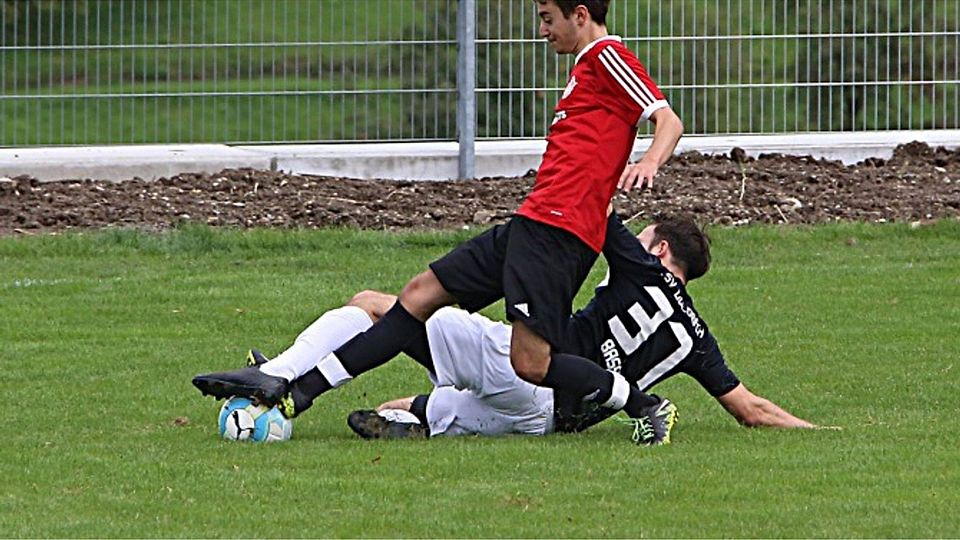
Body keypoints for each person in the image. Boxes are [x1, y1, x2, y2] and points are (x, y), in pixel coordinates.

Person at [193, 0, 686, 445]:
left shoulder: (606, 55)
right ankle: (294, 393)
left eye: (547, 18)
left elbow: (667, 119)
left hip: (559, 234)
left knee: (531, 365)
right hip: (531, 224)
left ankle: (645, 406)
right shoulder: (584, 68)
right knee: (418, 296)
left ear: (580, 14)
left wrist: (648, 163)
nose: (542, 30)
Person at [240, 214, 818, 442]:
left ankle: (274, 376)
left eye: (646, 237)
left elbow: (592, 206)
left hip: (523, 363)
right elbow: (751, 410)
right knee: (410, 401)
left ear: (661, 248)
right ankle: (417, 420)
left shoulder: (642, 265)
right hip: (548, 421)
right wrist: (822, 430)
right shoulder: (696, 337)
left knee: (375, 306)